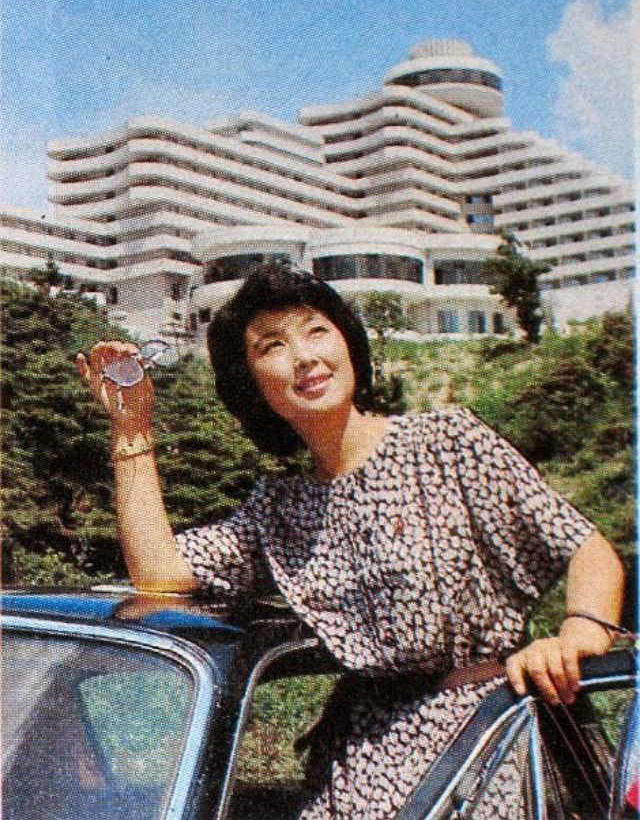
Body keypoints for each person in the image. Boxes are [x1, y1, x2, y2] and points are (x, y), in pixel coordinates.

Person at [77, 263, 624, 819]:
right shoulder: (278, 508)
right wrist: (132, 430)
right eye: (273, 345)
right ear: (252, 383)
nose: (305, 357)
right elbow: (161, 577)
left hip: (486, 741)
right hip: (354, 767)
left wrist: (578, 635)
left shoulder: (447, 442)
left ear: (347, 343)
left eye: (317, 330)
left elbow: (584, 547)